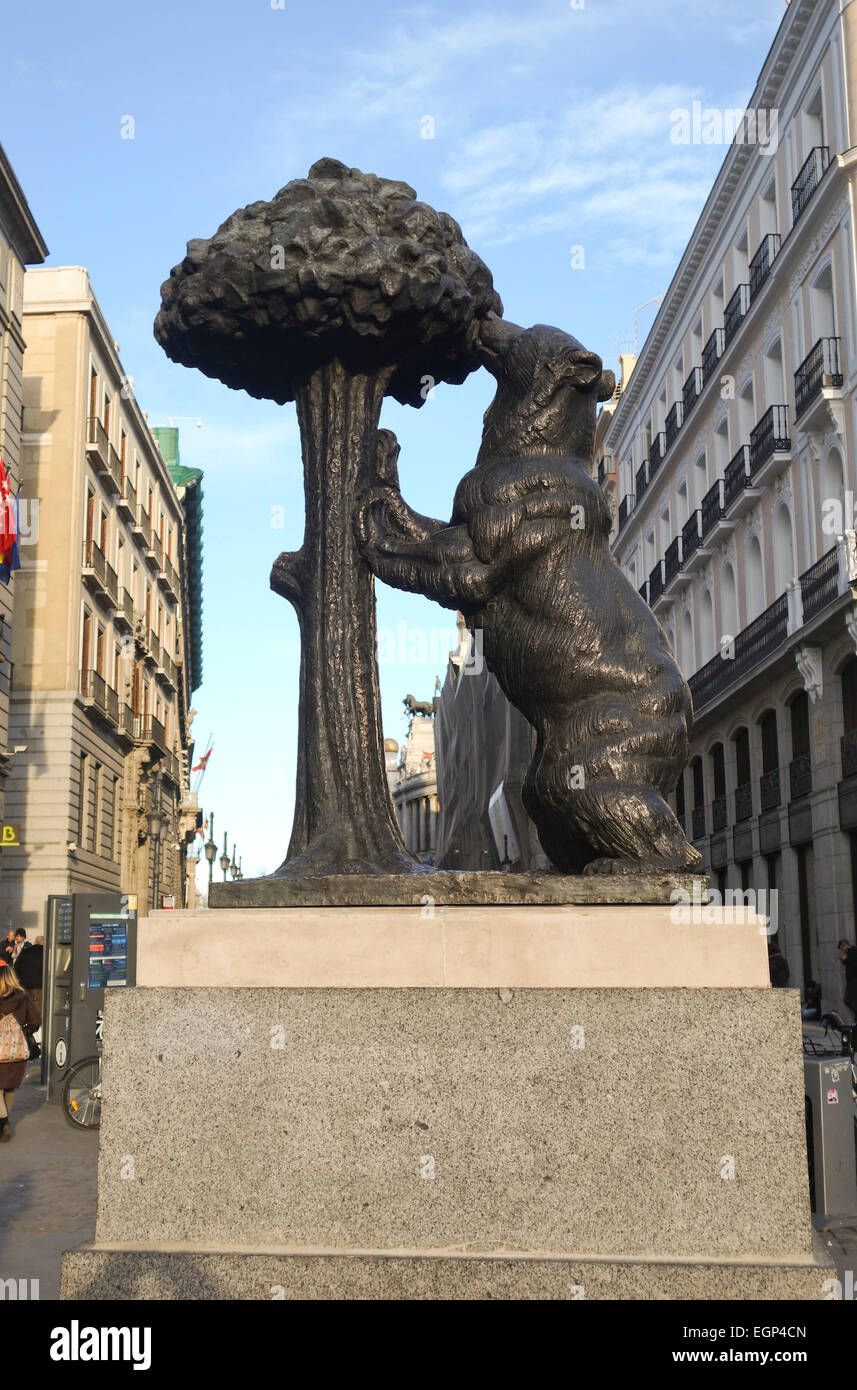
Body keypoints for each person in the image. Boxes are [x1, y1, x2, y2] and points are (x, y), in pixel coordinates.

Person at [0, 962, 40, 1142]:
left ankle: (4, 1122)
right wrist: (23, 1032)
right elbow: (35, 1021)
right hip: (16, 1052)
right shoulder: (23, 998)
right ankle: (5, 1123)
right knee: (8, 1088)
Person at [14, 933, 43, 1011]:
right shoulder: (45, 952)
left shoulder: (25, 951)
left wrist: (20, 979)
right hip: (39, 986)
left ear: (35, 942)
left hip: (25, 985)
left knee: (25, 1008)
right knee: (37, 1010)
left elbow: (16, 966)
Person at [838, 940, 857, 1021]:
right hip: (851, 979)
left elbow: (853, 965)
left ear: (845, 946)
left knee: (848, 1000)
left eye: (842, 949)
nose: (842, 951)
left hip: (853, 979)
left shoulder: (853, 952)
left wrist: (845, 960)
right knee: (849, 1000)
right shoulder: (851, 952)